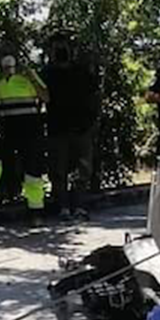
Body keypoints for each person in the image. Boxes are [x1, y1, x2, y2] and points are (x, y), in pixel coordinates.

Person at [0, 49, 50, 212]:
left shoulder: (28, 73)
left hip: (29, 125)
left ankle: (36, 209)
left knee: (32, 166)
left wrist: (30, 78)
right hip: (6, 126)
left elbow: (46, 97)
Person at [43, 32, 100, 219]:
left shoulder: (82, 72)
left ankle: (80, 206)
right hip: (57, 129)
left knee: (83, 172)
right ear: (51, 51)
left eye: (63, 47)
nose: (61, 51)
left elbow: (94, 96)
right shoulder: (46, 74)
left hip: (82, 129)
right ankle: (63, 208)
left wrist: (92, 122)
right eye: (57, 48)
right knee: (58, 172)